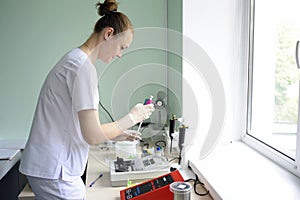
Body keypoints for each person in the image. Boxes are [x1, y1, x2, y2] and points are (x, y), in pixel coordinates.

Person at [19, 0, 155, 199]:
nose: (120, 55)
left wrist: (116, 133)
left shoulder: (76, 61)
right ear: (108, 34)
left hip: (52, 167)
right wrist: (133, 117)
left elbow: (81, 127)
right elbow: (92, 135)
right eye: (122, 47)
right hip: (56, 172)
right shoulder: (81, 67)